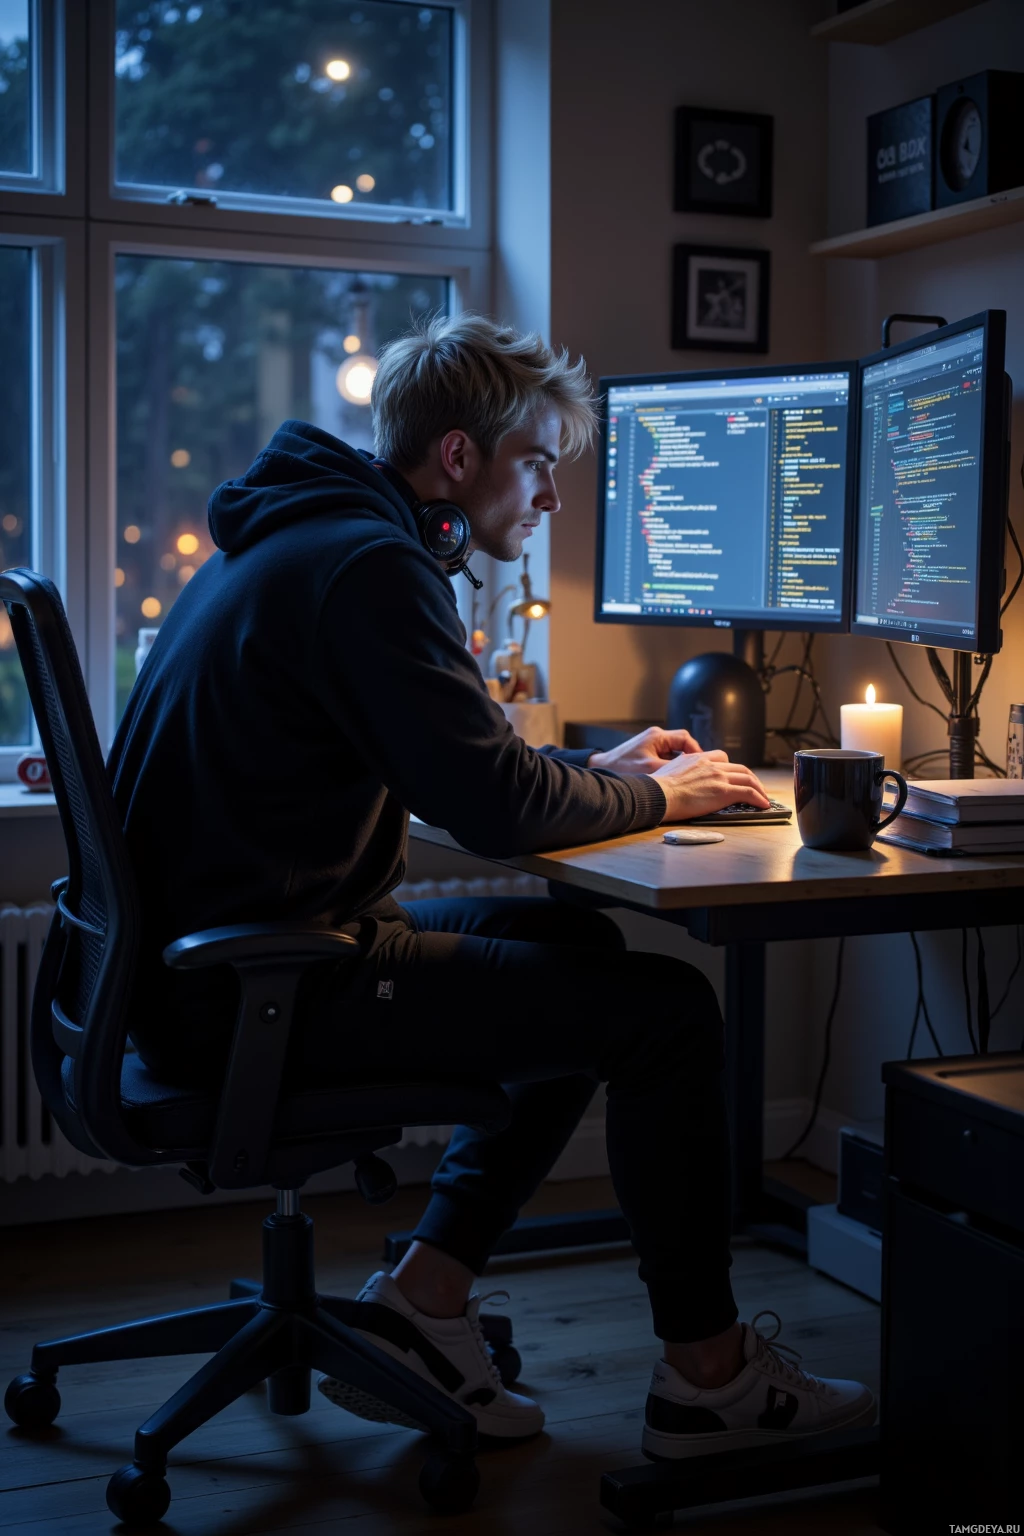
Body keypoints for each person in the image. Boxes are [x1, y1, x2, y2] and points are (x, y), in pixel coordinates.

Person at [108, 313, 874, 1462]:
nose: (553, 500)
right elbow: (496, 811)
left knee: (590, 960)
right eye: (538, 464)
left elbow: (466, 771)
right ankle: (709, 1382)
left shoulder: (312, 535)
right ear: (458, 460)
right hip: (258, 984)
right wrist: (663, 800)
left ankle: (427, 1294)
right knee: (666, 1020)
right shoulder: (369, 566)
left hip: (233, 956)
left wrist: (597, 774)